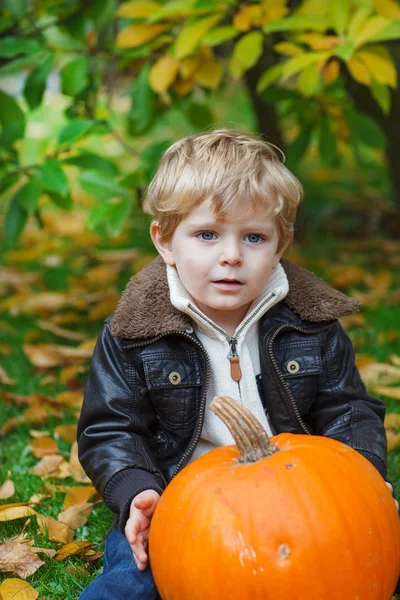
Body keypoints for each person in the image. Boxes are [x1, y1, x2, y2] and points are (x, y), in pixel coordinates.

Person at [77, 129, 398, 599]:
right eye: (206, 234)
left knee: (376, 552)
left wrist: (363, 475)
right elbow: (111, 428)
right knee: (132, 584)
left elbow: (347, 408)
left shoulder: (311, 324)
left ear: (280, 244)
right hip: (184, 505)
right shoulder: (133, 334)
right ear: (165, 241)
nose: (230, 255)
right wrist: (137, 490)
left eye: (253, 237)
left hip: (299, 495)